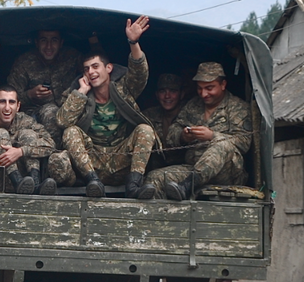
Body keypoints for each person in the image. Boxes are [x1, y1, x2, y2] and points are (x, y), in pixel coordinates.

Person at [47, 16, 157, 199]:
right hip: (92, 163)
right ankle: (94, 183)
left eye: (95, 66)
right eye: (86, 69)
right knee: (70, 131)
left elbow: (140, 73)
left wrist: (133, 42)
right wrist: (81, 92)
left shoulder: (123, 88)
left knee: (145, 130)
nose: (91, 72)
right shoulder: (80, 94)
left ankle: (134, 185)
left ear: (109, 68)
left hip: (122, 160)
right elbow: (62, 121)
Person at [144, 62, 252, 200]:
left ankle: (188, 185)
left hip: (226, 173)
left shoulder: (238, 107)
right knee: (155, 178)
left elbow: (244, 142)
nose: (204, 94)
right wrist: (183, 136)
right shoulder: (193, 105)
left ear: (223, 85)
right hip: (193, 168)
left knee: (222, 144)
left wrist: (212, 135)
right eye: (200, 88)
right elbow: (173, 131)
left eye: (209, 88)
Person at [0, 85, 57, 194]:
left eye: (11, 102)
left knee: (28, 134)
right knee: (0, 133)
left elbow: (51, 145)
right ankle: (17, 181)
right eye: (2, 102)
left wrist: (21, 151)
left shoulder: (26, 121)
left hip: (27, 184)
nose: (7, 108)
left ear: (18, 106)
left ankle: (35, 184)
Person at [7, 30, 81, 146]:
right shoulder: (24, 62)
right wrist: (30, 95)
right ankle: (53, 152)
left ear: (61, 43)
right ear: (36, 43)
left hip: (68, 110)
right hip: (34, 116)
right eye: (43, 40)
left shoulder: (72, 57)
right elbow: (8, 96)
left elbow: (98, 67)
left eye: (54, 40)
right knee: (50, 111)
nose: (48, 46)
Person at [144, 73, 186, 168]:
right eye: (162, 91)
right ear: (157, 95)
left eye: (173, 91)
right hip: (154, 167)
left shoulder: (190, 114)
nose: (167, 96)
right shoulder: (148, 115)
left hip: (183, 168)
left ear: (181, 94)